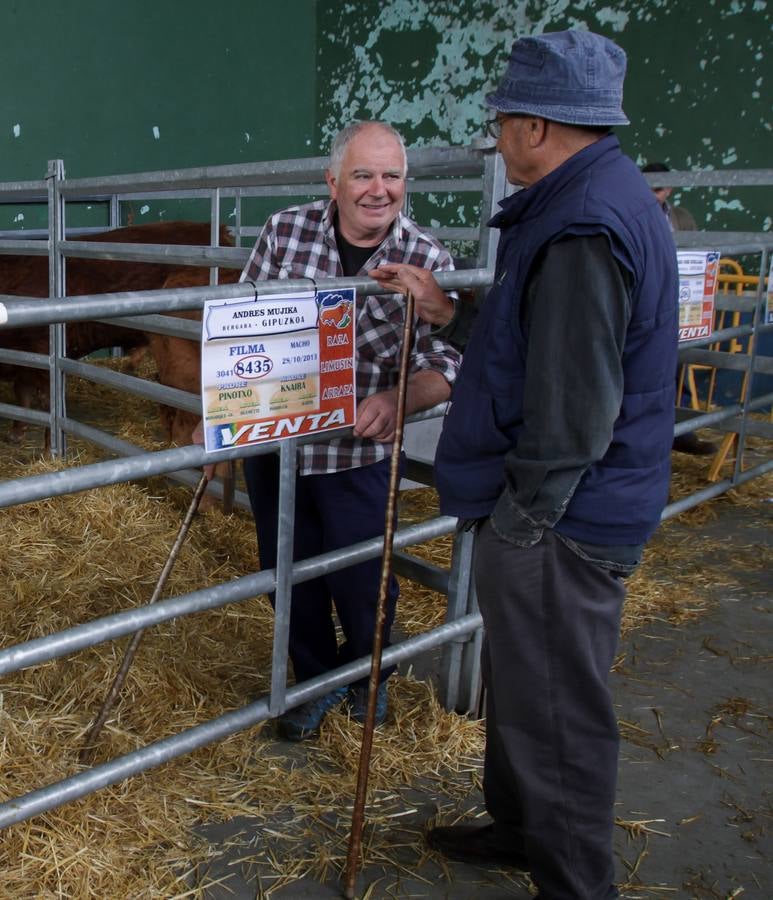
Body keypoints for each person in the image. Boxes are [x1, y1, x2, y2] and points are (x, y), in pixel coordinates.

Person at [425, 31, 678, 899]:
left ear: (535, 125)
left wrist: (520, 524)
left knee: (559, 713)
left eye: (501, 121)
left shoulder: (579, 224)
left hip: (562, 518)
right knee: (524, 684)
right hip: (569, 505)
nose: (496, 138)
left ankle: (574, 885)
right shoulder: (594, 196)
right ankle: (520, 828)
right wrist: (447, 311)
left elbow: (573, 409)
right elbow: (531, 349)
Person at [235, 121, 462, 741]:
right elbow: (240, 324)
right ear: (333, 181)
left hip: (355, 450)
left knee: (362, 577)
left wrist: (398, 397)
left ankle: (369, 677)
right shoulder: (285, 231)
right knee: (287, 570)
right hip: (276, 442)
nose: (378, 190)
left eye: (392, 176)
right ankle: (311, 682)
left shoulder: (428, 257)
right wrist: (223, 425)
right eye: (363, 175)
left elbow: (450, 361)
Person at [642, 160, 717, 454]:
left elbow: (697, 254)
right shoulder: (631, 213)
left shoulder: (681, 218)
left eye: (659, 188)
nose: (654, 194)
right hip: (646, 297)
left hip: (679, 300)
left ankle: (680, 430)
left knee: (679, 362)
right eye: (649, 187)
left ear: (669, 189)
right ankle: (647, 433)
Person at [641, 161, 698, 231]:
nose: (652, 196)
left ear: (668, 190)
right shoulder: (630, 219)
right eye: (647, 190)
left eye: (658, 190)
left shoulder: (684, 218)